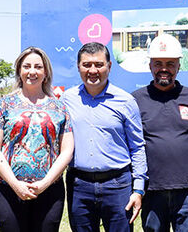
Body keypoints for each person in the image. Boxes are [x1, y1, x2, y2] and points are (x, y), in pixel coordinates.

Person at [131, 34, 188, 232]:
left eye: (170, 63)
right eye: (158, 63)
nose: (164, 69)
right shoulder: (136, 100)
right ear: (150, 66)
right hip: (151, 192)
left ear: (178, 66)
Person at [0, 47, 74, 232]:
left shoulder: (60, 107)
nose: (32, 71)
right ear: (19, 70)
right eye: (26, 66)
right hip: (7, 189)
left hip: (49, 190)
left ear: (46, 72)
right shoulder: (4, 104)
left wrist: (44, 184)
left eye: (38, 67)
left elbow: (67, 150)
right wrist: (15, 185)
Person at [62, 42, 148, 232]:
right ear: (78, 67)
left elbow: (137, 147)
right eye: (86, 65)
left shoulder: (125, 101)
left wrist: (138, 189)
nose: (93, 70)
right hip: (79, 185)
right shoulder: (67, 100)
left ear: (109, 66)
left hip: (118, 185)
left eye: (99, 65)